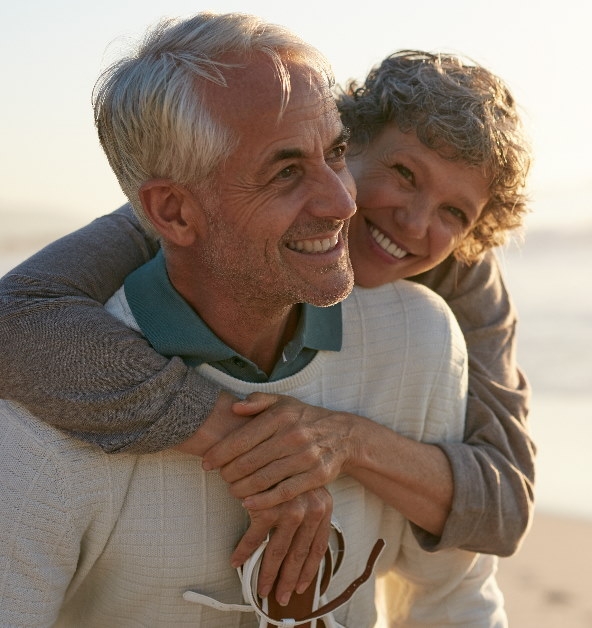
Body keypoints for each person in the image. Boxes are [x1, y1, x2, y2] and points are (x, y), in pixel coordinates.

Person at [0, 12, 504, 626]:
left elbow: (461, 589)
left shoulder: (423, 332)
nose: (344, 202)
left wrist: (343, 442)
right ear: (174, 213)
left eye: (335, 152)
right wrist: (252, 447)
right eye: (286, 171)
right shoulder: (43, 406)